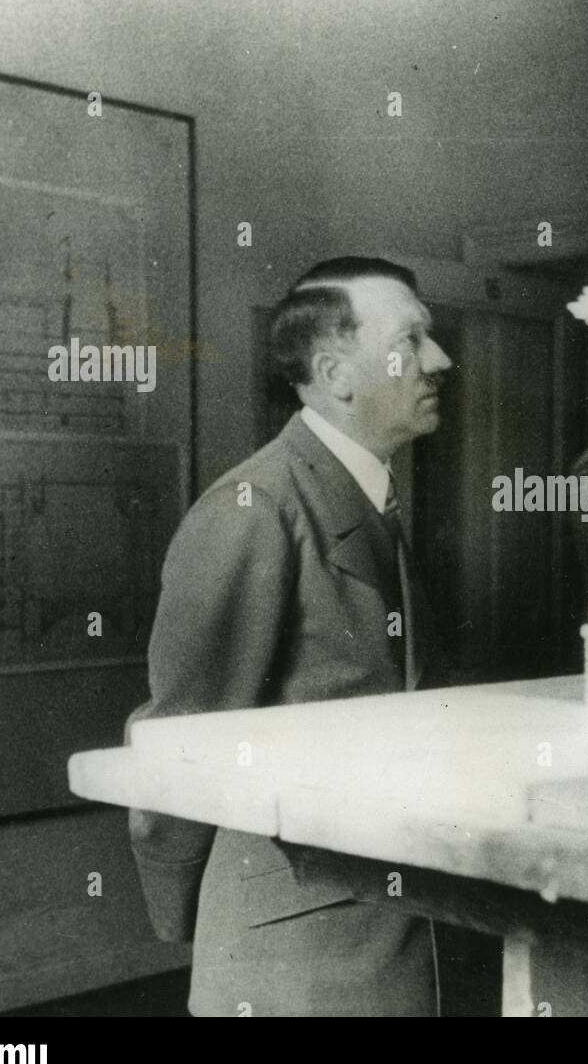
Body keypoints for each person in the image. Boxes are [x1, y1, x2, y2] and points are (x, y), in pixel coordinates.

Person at [129, 256, 453, 1016]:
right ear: (338, 373)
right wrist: (191, 913)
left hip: (383, 929)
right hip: (291, 953)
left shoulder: (366, 492)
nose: (441, 360)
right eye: (414, 340)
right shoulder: (255, 507)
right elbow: (182, 738)